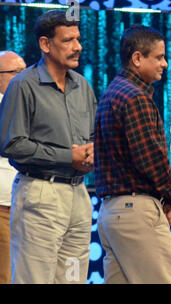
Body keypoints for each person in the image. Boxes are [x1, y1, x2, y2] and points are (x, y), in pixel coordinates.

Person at [0, 10, 97, 284]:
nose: (77, 46)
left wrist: (92, 153)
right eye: (68, 40)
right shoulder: (23, 85)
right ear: (45, 44)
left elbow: (92, 134)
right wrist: (70, 156)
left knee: (73, 279)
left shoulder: (83, 86)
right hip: (40, 192)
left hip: (79, 193)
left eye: (78, 39)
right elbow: (12, 144)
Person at [94, 25, 171, 284]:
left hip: (111, 214)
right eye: (159, 56)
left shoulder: (112, 93)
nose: (164, 63)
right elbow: (151, 161)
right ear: (137, 58)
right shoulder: (135, 98)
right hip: (136, 213)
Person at [0, 51, 26, 284]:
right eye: (15, 73)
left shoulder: (26, 104)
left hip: (25, 205)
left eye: (24, 72)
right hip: (3, 206)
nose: (22, 77)